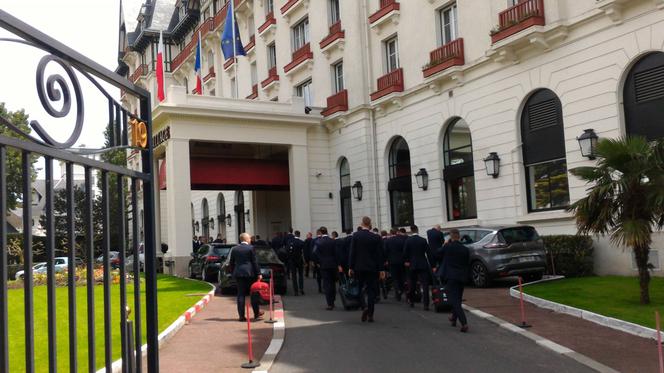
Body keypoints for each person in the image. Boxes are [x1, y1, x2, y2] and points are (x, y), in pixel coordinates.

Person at [349, 216, 385, 323]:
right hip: (372, 268)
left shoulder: (356, 236)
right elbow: (380, 254)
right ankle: (370, 314)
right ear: (370, 224)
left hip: (359, 267)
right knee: (371, 291)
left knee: (359, 288)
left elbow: (353, 252)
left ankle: (363, 306)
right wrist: (381, 269)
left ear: (362, 223)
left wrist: (351, 267)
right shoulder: (376, 237)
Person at [436, 228, 470, 332]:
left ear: (451, 236)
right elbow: (466, 262)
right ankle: (454, 318)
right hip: (462, 276)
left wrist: (444, 244)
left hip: (451, 276)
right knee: (458, 298)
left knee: (454, 300)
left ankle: (464, 323)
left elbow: (437, 254)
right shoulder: (465, 249)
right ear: (459, 236)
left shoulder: (448, 247)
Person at [229, 233, 264, 321]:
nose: (250, 240)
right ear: (246, 239)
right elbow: (254, 262)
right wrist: (259, 273)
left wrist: (233, 272)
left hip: (239, 274)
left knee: (240, 294)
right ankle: (256, 314)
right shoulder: (251, 248)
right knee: (254, 293)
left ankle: (241, 316)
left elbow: (231, 262)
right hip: (250, 273)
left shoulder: (234, 249)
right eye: (249, 238)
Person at [404, 225, 434, 311]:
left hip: (412, 264)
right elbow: (429, 253)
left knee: (413, 284)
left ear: (411, 231)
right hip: (423, 264)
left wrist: (407, 261)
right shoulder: (423, 240)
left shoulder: (408, 240)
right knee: (425, 285)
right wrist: (433, 265)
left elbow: (405, 252)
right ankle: (426, 304)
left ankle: (412, 301)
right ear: (417, 230)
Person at [315, 227, 337, 310]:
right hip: (332, 264)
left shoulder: (318, 242)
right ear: (327, 232)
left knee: (327, 283)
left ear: (320, 232)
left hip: (324, 265)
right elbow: (336, 253)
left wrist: (319, 262)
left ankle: (329, 303)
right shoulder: (332, 241)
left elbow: (316, 253)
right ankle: (333, 299)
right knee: (333, 283)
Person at [384, 228, 407, 301]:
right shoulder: (402, 240)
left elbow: (385, 252)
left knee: (395, 278)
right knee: (402, 276)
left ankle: (398, 292)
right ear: (397, 232)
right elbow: (405, 250)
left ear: (390, 233)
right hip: (401, 261)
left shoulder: (388, 241)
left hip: (392, 261)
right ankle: (404, 290)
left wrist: (386, 260)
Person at [288, 230, 306, 295]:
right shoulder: (301, 242)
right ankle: (301, 289)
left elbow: (288, 251)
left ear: (294, 234)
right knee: (301, 275)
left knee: (294, 276)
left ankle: (296, 291)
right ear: (299, 235)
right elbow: (303, 252)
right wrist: (305, 261)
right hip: (300, 260)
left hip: (292, 261)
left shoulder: (290, 242)